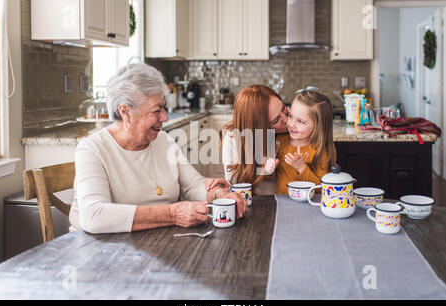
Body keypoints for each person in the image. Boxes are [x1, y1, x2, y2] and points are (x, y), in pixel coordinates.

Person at [69, 63, 247, 234]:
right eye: (157, 110)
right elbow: (94, 216)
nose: (165, 117)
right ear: (125, 112)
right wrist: (172, 214)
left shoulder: (163, 141)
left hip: (152, 243)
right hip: (99, 251)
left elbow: (192, 185)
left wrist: (220, 194)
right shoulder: (93, 149)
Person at [264, 87, 337, 194]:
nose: (291, 124)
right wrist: (268, 170)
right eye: (290, 116)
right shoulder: (279, 141)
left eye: (301, 121)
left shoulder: (319, 151)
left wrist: (302, 168)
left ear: (318, 126)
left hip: (308, 205)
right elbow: (270, 177)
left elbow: (322, 189)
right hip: (281, 202)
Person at [222, 84, 288, 196]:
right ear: (259, 126)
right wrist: (264, 171)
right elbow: (235, 186)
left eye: (284, 109)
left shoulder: (293, 130)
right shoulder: (233, 138)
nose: (287, 120)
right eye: (276, 120)